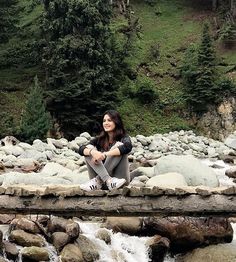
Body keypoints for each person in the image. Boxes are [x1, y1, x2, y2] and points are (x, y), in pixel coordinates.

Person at [78, 110, 132, 191]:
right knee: (88, 148)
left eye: (109, 120)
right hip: (102, 184)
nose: (106, 123)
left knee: (119, 146)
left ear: (116, 122)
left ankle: (100, 180)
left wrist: (105, 154)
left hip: (119, 182)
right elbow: (81, 149)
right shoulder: (99, 139)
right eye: (104, 121)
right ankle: (106, 180)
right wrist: (93, 152)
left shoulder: (124, 137)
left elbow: (127, 147)